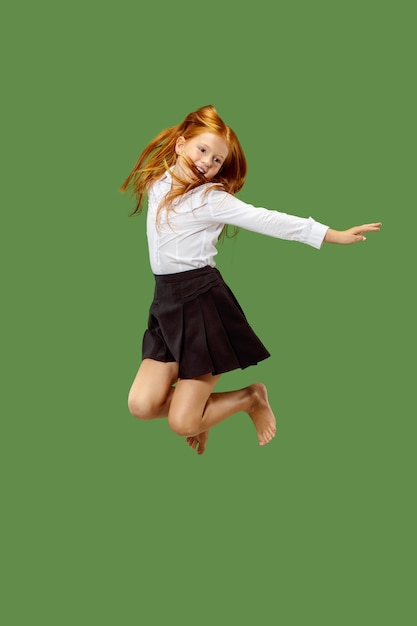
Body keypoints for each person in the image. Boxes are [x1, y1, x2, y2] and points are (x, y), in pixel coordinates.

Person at [120, 104, 381, 455]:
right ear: (181, 145)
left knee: (181, 422)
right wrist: (203, 414)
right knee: (141, 405)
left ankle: (251, 397)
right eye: (203, 150)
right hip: (165, 303)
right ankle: (202, 412)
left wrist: (331, 234)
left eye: (217, 161)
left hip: (201, 303)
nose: (208, 163)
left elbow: (268, 219)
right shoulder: (157, 183)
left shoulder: (210, 199)